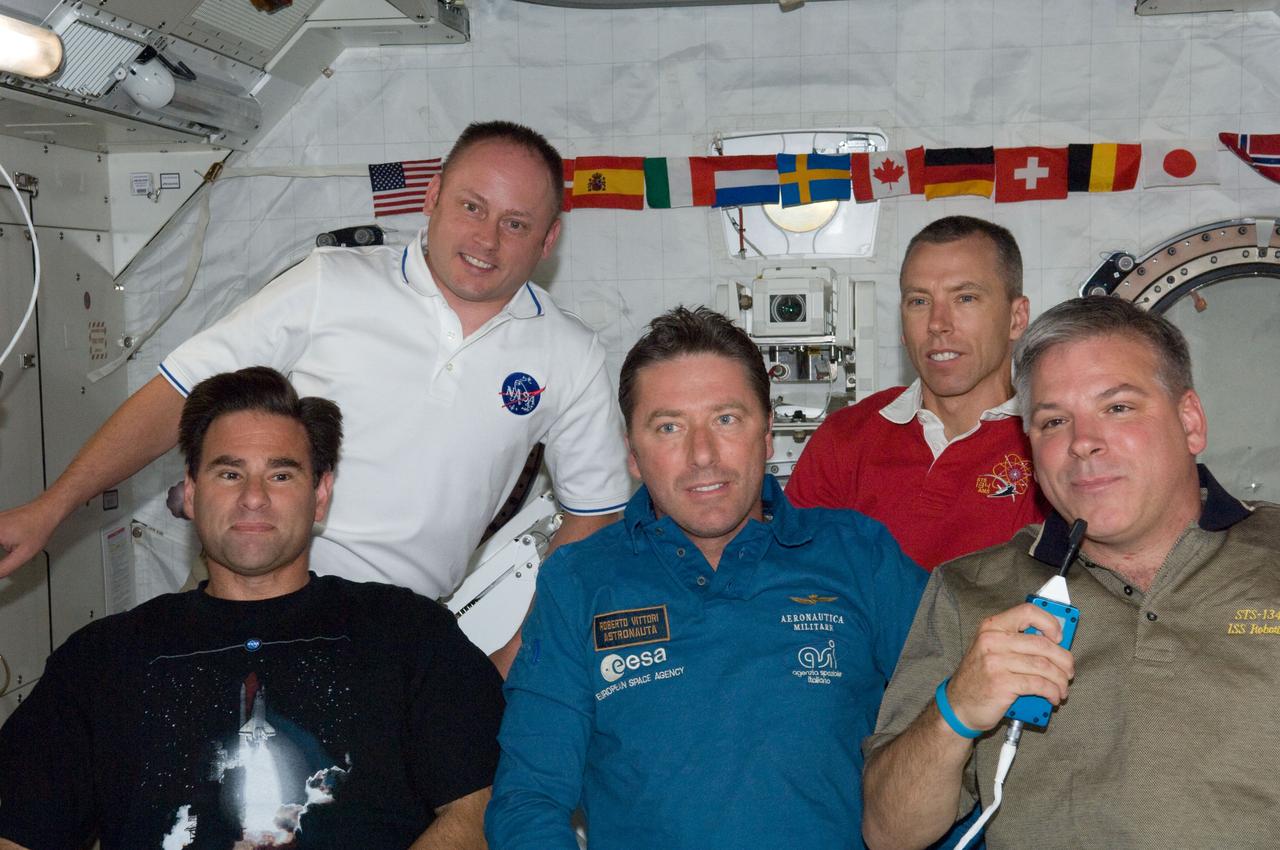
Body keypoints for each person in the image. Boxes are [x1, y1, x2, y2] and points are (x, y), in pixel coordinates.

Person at [0, 120, 630, 668]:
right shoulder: (332, 283)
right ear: (434, 197)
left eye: (515, 224)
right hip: (250, 598)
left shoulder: (568, 353)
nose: (487, 239)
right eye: (471, 206)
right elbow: (180, 393)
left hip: (402, 634)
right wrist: (54, 506)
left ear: (548, 242)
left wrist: (515, 655)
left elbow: (595, 517)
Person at [0, 367, 504, 850]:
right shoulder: (103, 660)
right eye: (229, 473)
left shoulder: (408, 634)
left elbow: (484, 807)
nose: (254, 498)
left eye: (281, 475)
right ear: (191, 495)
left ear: (321, 495)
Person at [485, 307, 927, 849]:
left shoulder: (859, 556)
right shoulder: (578, 582)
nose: (701, 456)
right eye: (669, 427)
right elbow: (528, 799)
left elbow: (954, 728)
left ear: (767, 435)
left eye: (726, 419)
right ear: (632, 453)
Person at [861, 297, 1280, 849]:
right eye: (1054, 420)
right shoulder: (972, 591)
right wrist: (955, 710)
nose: (1083, 441)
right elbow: (890, 834)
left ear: (1190, 422)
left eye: (1119, 408)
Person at [787, 216, 1045, 570]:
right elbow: (796, 589)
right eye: (919, 301)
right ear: (902, 325)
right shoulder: (844, 439)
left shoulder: (1053, 442)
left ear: (1017, 318)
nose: (938, 323)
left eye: (965, 298)